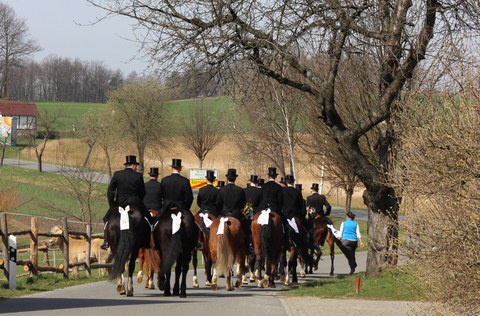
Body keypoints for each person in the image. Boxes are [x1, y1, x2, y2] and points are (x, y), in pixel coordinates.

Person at [102, 155, 150, 250]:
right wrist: (138, 202)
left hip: (120, 204)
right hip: (134, 203)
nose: (136, 167)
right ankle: (146, 242)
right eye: (135, 165)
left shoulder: (117, 174)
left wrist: (112, 205)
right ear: (132, 165)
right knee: (148, 220)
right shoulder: (138, 176)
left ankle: (106, 241)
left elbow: (110, 191)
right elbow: (143, 192)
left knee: (106, 219)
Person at [217, 168, 250, 252]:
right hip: (237, 214)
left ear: (227, 178)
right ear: (235, 178)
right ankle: (247, 248)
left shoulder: (221, 190)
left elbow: (218, 203)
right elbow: (243, 203)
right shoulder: (240, 190)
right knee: (247, 229)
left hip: (224, 214)